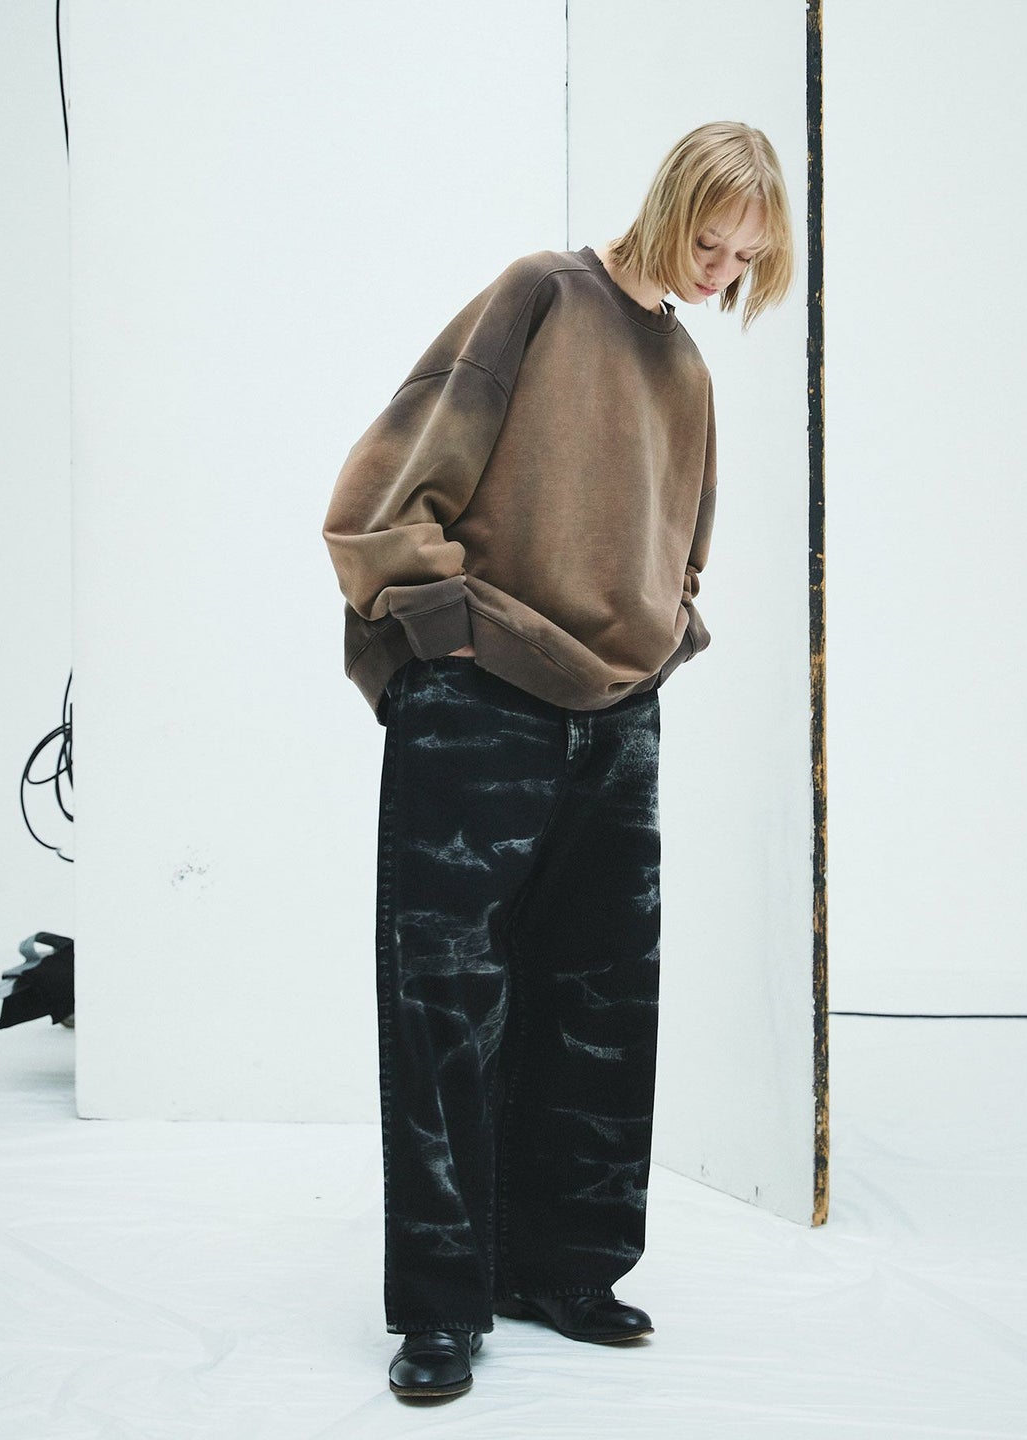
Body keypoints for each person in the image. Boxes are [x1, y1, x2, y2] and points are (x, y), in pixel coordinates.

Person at [321, 119, 794, 1400]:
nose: (721, 271)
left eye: (746, 258)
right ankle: (442, 1307)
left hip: (619, 715)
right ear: (669, 204)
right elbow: (384, 491)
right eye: (710, 242)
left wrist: (664, 637)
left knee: (601, 999)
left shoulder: (685, 365)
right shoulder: (543, 293)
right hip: (481, 698)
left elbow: (683, 545)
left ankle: (564, 1268)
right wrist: (446, 641)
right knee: (445, 1005)